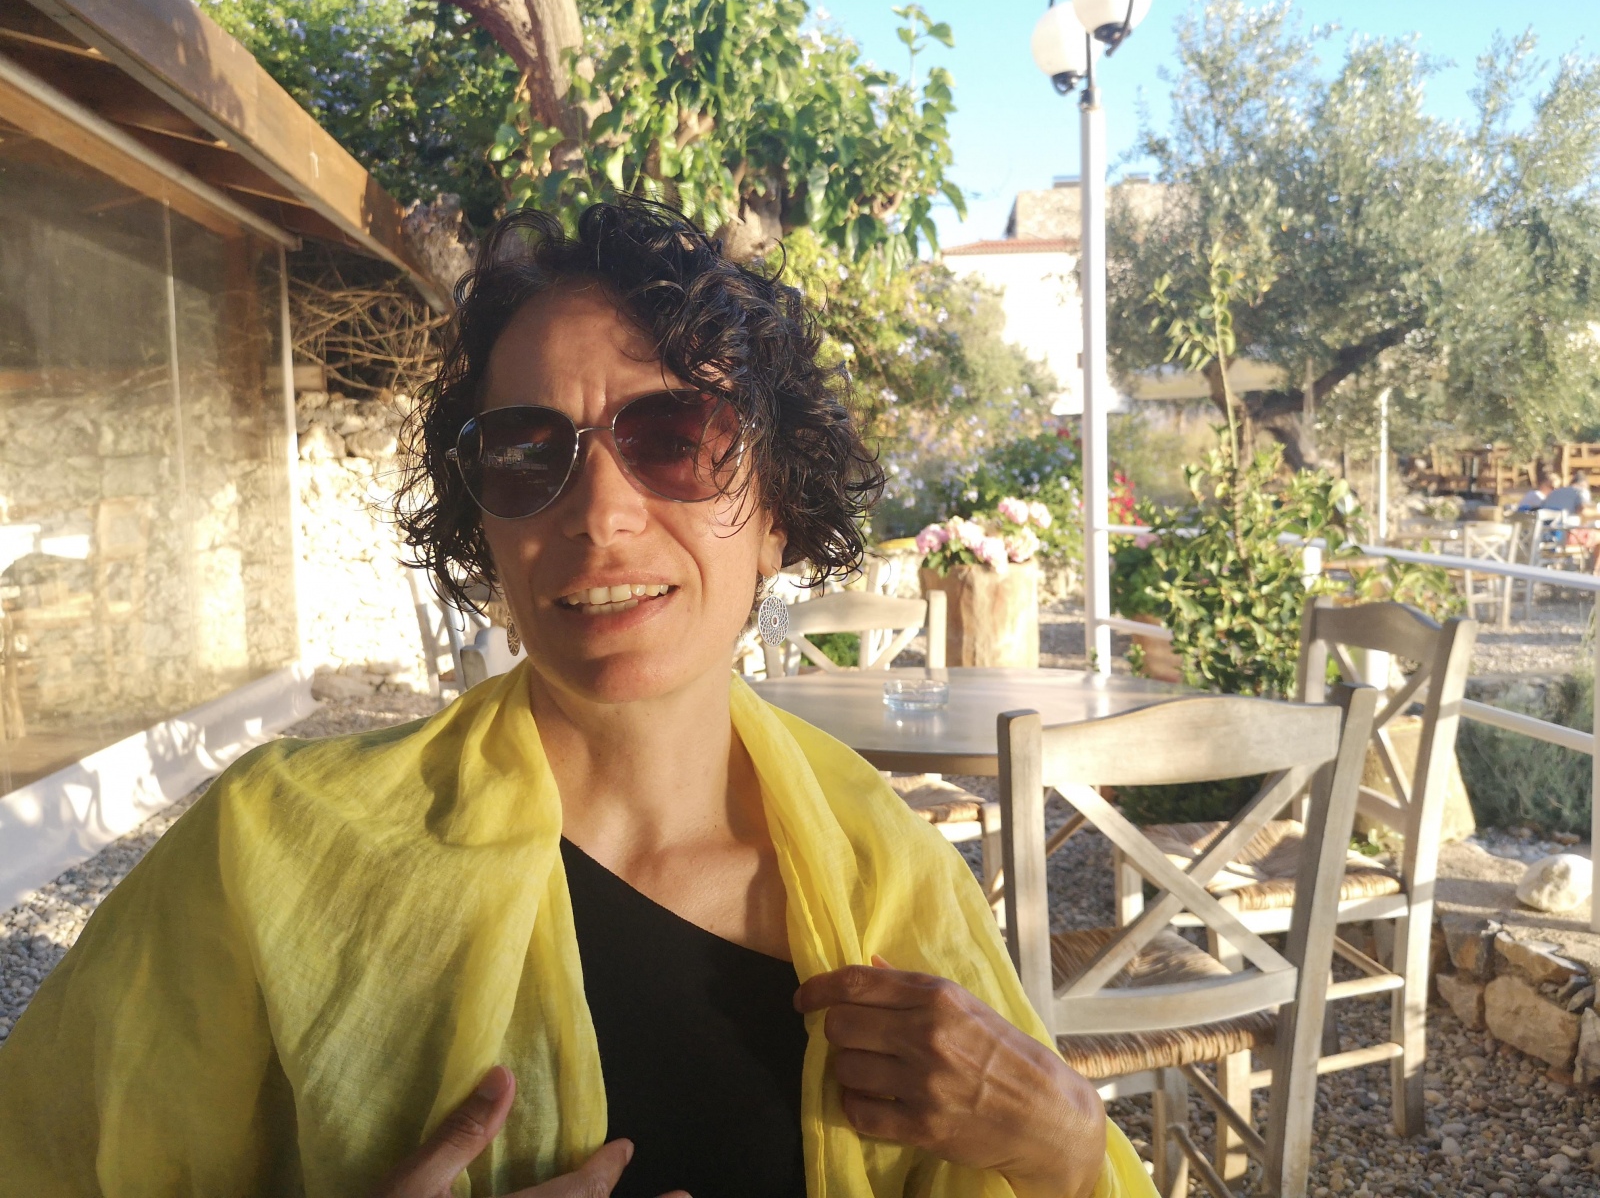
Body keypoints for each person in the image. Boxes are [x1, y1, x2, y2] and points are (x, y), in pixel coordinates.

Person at [0, 202, 1153, 1198]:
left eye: (677, 438)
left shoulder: (891, 884)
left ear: (777, 516)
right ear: (486, 528)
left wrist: (1061, 1144)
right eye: (524, 451)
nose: (598, 513)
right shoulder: (272, 852)